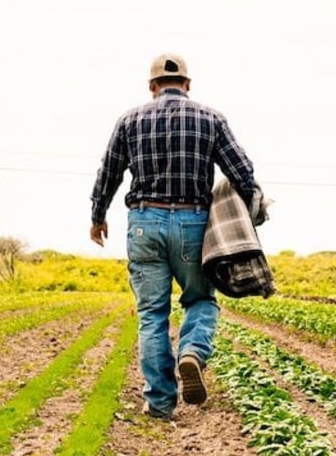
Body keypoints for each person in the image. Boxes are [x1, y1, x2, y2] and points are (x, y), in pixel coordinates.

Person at [89, 53, 261, 421]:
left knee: (152, 313)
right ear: (187, 84)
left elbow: (109, 172)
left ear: (152, 87)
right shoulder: (211, 118)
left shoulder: (129, 119)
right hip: (193, 223)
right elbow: (241, 171)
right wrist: (250, 206)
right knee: (200, 299)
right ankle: (193, 352)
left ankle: (160, 403)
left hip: (143, 221)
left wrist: (97, 215)